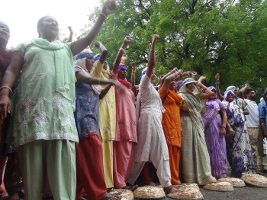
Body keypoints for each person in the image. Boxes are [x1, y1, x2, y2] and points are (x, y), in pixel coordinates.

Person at [0, 1, 116, 199]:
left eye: (56, 23)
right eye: (49, 22)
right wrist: (4, 93)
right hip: (33, 115)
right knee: (32, 167)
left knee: (63, 167)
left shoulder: (66, 48)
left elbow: (89, 37)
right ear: (39, 28)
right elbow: (12, 69)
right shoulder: (26, 45)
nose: (54, 25)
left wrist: (103, 15)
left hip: (61, 117)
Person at [128, 34, 177, 194]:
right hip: (149, 119)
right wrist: (153, 43)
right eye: (151, 72)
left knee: (146, 151)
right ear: (146, 75)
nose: (154, 73)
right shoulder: (144, 84)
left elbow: (164, 82)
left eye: (155, 72)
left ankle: (129, 180)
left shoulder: (153, 89)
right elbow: (150, 65)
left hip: (153, 119)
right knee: (157, 150)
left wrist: (175, 73)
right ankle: (166, 184)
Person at [74, 49, 124, 200]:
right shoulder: (76, 70)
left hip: (92, 120)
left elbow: (100, 94)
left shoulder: (90, 75)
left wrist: (110, 83)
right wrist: (109, 81)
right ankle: (99, 193)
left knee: (84, 158)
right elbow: (87, 80)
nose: (92, 62)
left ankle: (79, 193)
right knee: (92, 153)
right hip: (83, 120)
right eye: (89, 59)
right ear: (82, 60)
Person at [0, 20, 24, 200]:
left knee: (10, 150)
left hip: (10, 110)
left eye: (6, 29)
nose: (3, 31)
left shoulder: (12, 58)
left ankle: (14, 192)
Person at [178, 76, 216, 185]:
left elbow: (210, 94)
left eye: (193, 84)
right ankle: (189, 177)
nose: (192, 86)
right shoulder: (181, 96)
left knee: (201, 147)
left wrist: (200, 83)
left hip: (197, 123)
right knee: (189, 149)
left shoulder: (197, 95)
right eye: (190, 84)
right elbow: (177, 111)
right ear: (185, 86)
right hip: (186, 123)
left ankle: (204, 175)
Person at [111, 36, 137, 190]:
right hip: (121, 123)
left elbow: (133, 90)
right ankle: (119, 183)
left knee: (129, 154)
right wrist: (123, 46)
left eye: (126, 71)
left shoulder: (127, 88)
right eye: (122, 70)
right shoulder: (114, 82)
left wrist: (133, 71)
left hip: (131, 124)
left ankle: (125, 181)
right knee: (121, 154)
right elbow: (115, 66)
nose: (124, 72)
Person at [159, 69, 191, 185]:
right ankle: (171, 180)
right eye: (171, 81)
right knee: (169, 153)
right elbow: (166, 79)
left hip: (177, 127)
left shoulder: (176, 95)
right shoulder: (163, 92)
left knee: (176, 153)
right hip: (167, 125)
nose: (173, 82)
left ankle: (175, 177)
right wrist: (178, 73)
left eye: (174, 81)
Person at [222, 90, 255, 177]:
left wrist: (247, 130)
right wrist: (229, 128)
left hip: (242, 130)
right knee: (233, 150)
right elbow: (223, 117)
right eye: (228, 94)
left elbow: (243, 118)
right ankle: (236, 170)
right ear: (225, 96)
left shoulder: (237, 105)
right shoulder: (223, 104)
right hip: (232, 130)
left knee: (243, 148)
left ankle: (244, 170)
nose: (230, 96)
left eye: (232, 94)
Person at [201, 91, 228, 179]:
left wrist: (223, 127)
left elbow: (224, 115)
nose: (213, 93)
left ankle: (222, 171)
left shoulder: (218, 102)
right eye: (210, 91)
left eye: (214, 92)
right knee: (209, 149)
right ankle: (212, 172)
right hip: (207, 129)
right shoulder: (203, 102)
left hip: (218, 127)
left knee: (220, 148)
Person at [243, 88, 264, 175]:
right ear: (247, 94)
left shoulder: (255, 103)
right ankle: (256, 167)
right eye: (252, 93)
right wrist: (245, 87)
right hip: (251, 127)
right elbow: (240, 93)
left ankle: (260, 166)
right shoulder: (245, 101)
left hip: (258, 127)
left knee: (260, 148)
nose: (254, 94)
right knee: (254, 148)